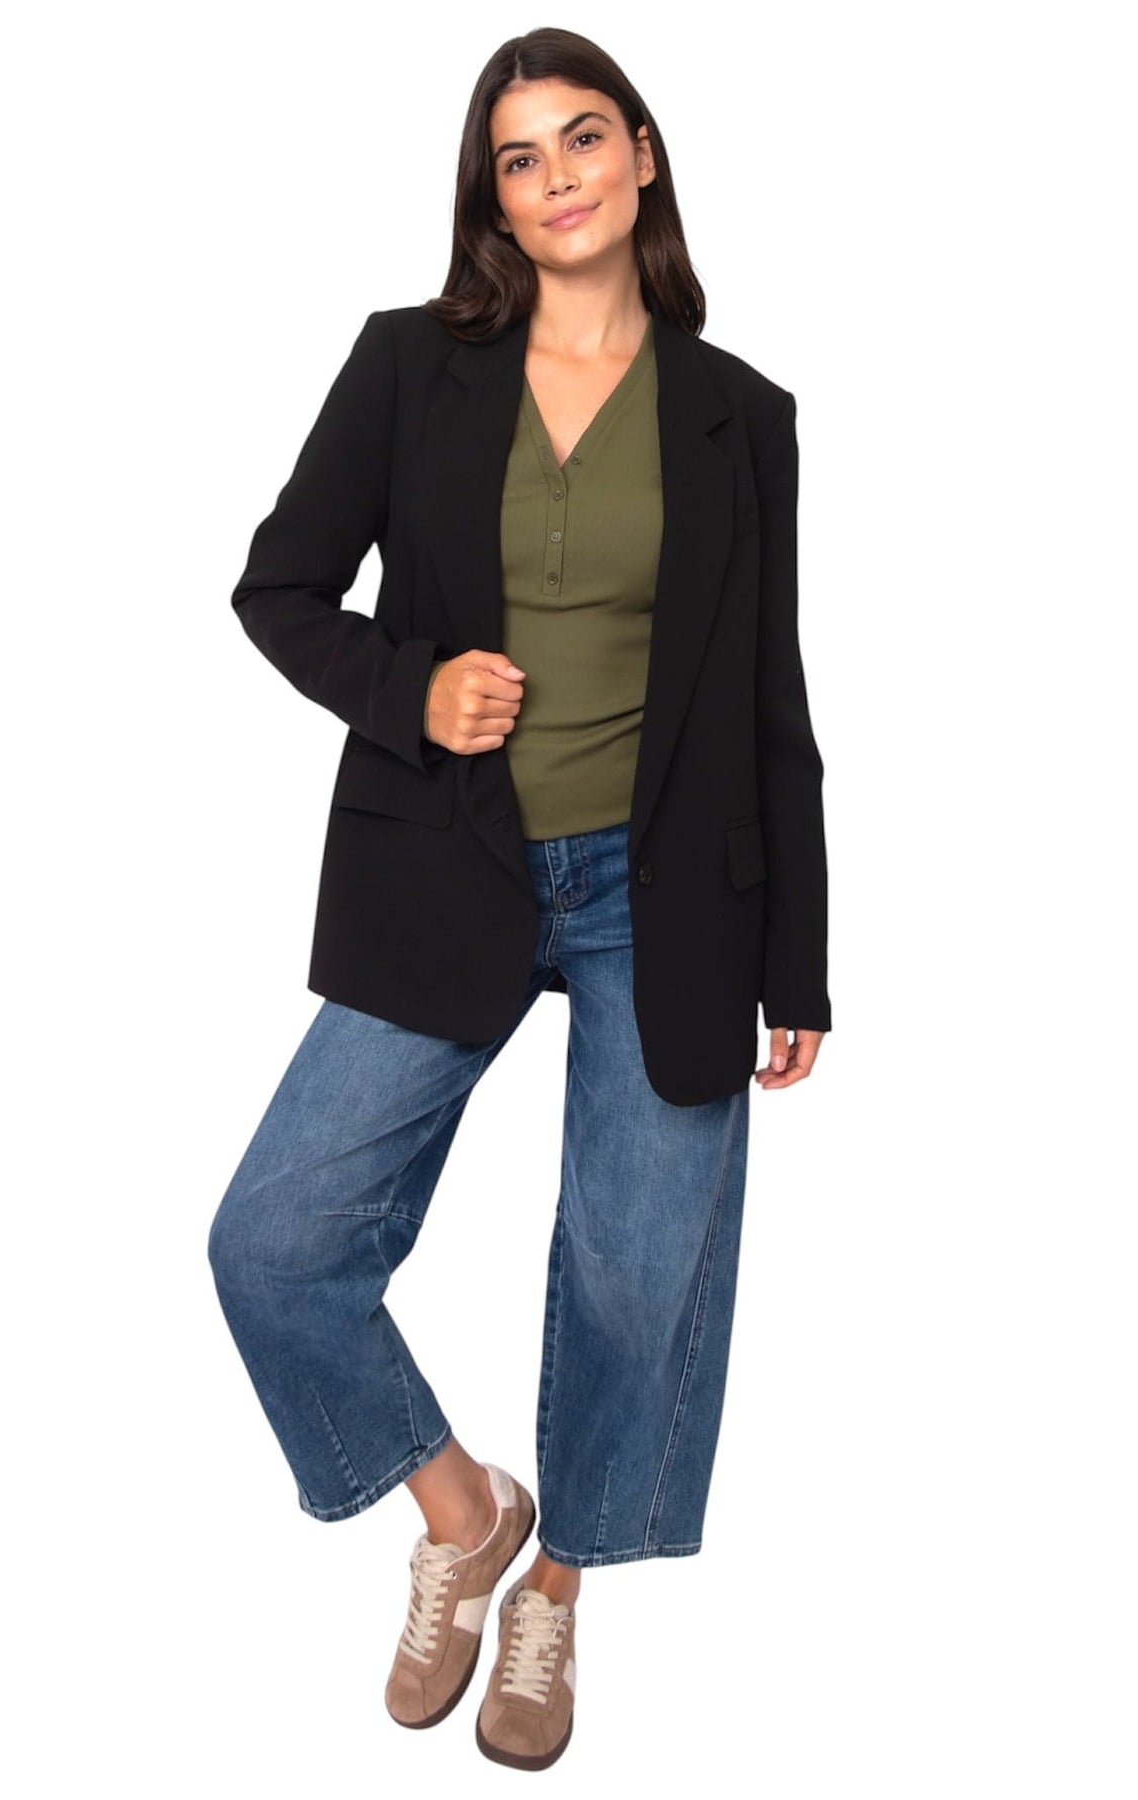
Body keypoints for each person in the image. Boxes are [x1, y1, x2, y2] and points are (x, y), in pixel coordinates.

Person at [207, 27, 829, 1772]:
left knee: (637, 1274)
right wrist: (412, 688)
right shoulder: (412, 365)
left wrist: (801, 963)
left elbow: (770, 700)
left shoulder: (741, 415)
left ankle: (555, 1591)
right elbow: (277, 589)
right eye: (518, 157)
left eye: (582, 139)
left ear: (643, 154)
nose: (557, 179)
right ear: (492, 197)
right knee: (272, 1245)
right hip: (447, 862)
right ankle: (466, 1513)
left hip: (668, 892)